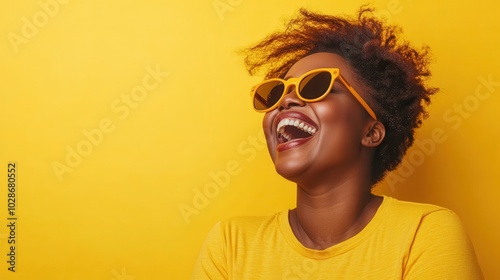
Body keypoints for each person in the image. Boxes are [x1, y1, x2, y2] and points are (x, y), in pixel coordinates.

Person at [191, 6, 483, 279]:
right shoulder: (231, 243)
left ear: (371, 132)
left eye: (316, 86)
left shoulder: (425, 232)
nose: (286, 101)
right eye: (277, 92)